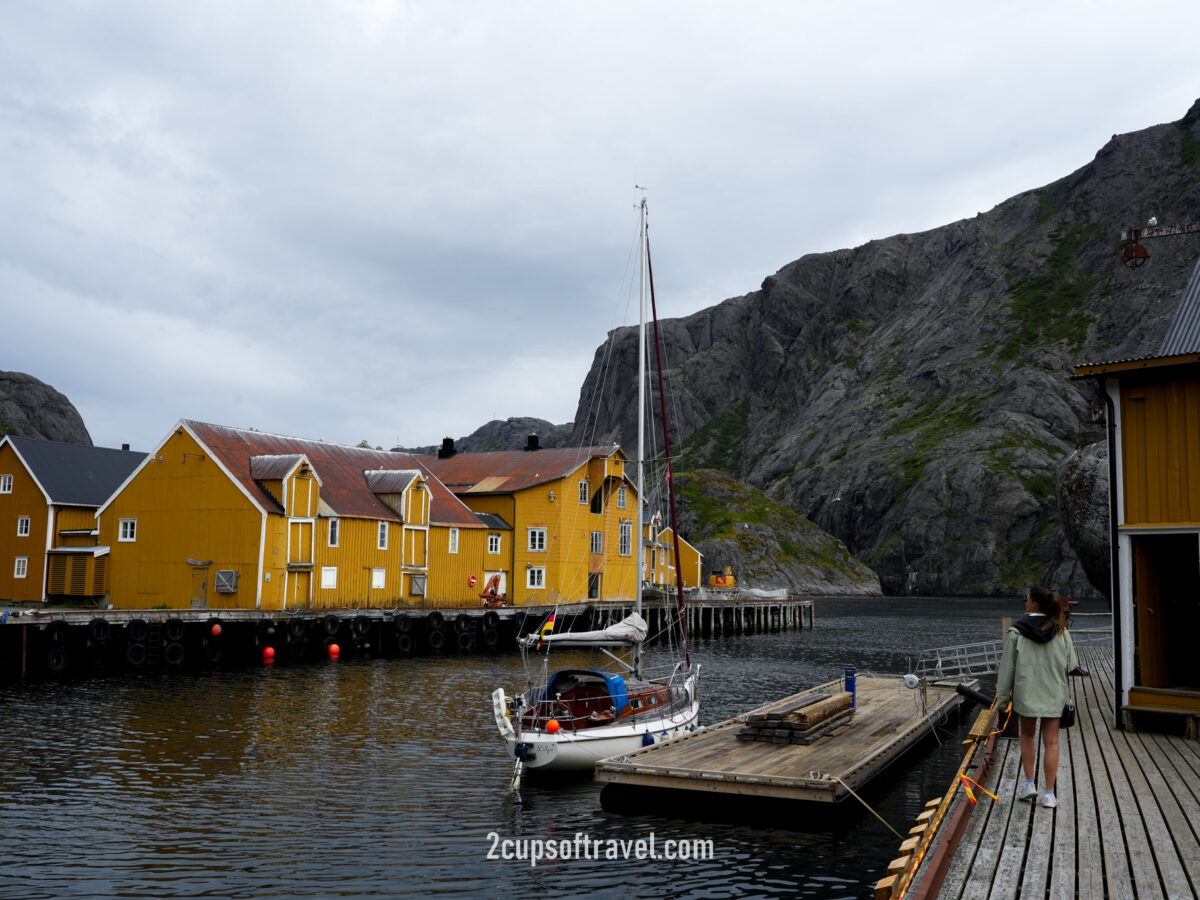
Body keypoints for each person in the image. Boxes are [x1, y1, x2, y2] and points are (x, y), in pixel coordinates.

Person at [994, 585, 1079, 809]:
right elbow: (1071, 664)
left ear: (1034, 604)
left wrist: (1003, 701)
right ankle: (1049, 794)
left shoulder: (1016, 632)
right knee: (1051, 743)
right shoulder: (1061, 630)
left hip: (1027, 694)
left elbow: (1006, 670)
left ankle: (1029, 784)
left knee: (1027, 738)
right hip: (1053, 694)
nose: (1025, 601)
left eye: (1027, 598)